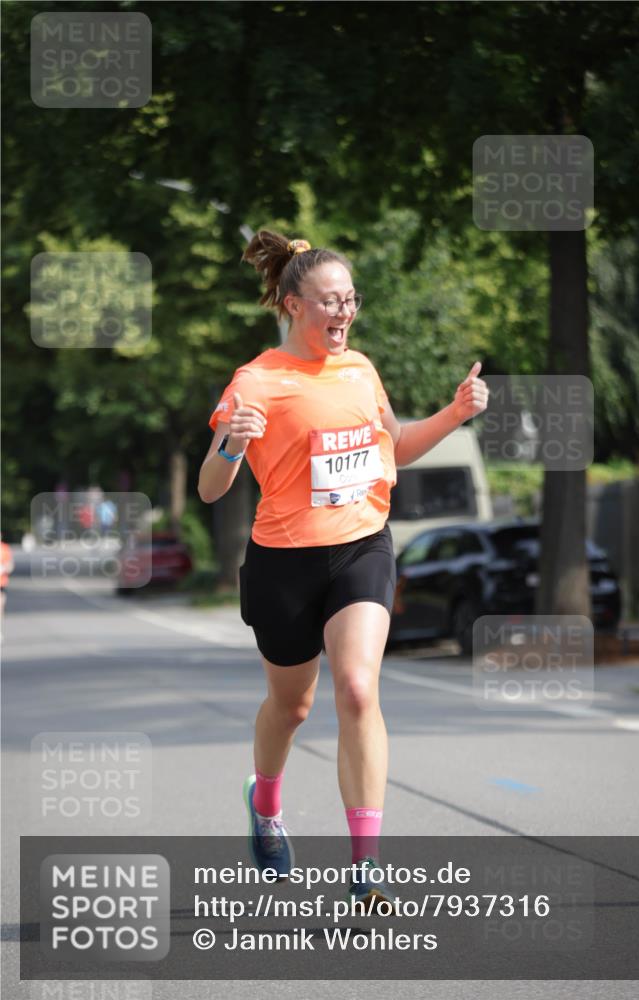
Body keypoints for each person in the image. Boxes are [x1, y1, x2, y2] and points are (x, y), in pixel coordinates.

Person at [198, 230, 488, 909]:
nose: (343, 312)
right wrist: (233, 446)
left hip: (362, 546)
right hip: (282, 564)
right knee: (292, 705)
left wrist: (452, 412)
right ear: (293, 305)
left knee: (358, 690)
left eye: (350, 300)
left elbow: (397, 446)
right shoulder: (256, 381)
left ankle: (364, 869)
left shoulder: (359, 369)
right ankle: (265, 804)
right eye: (329, 301)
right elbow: (212, 487)